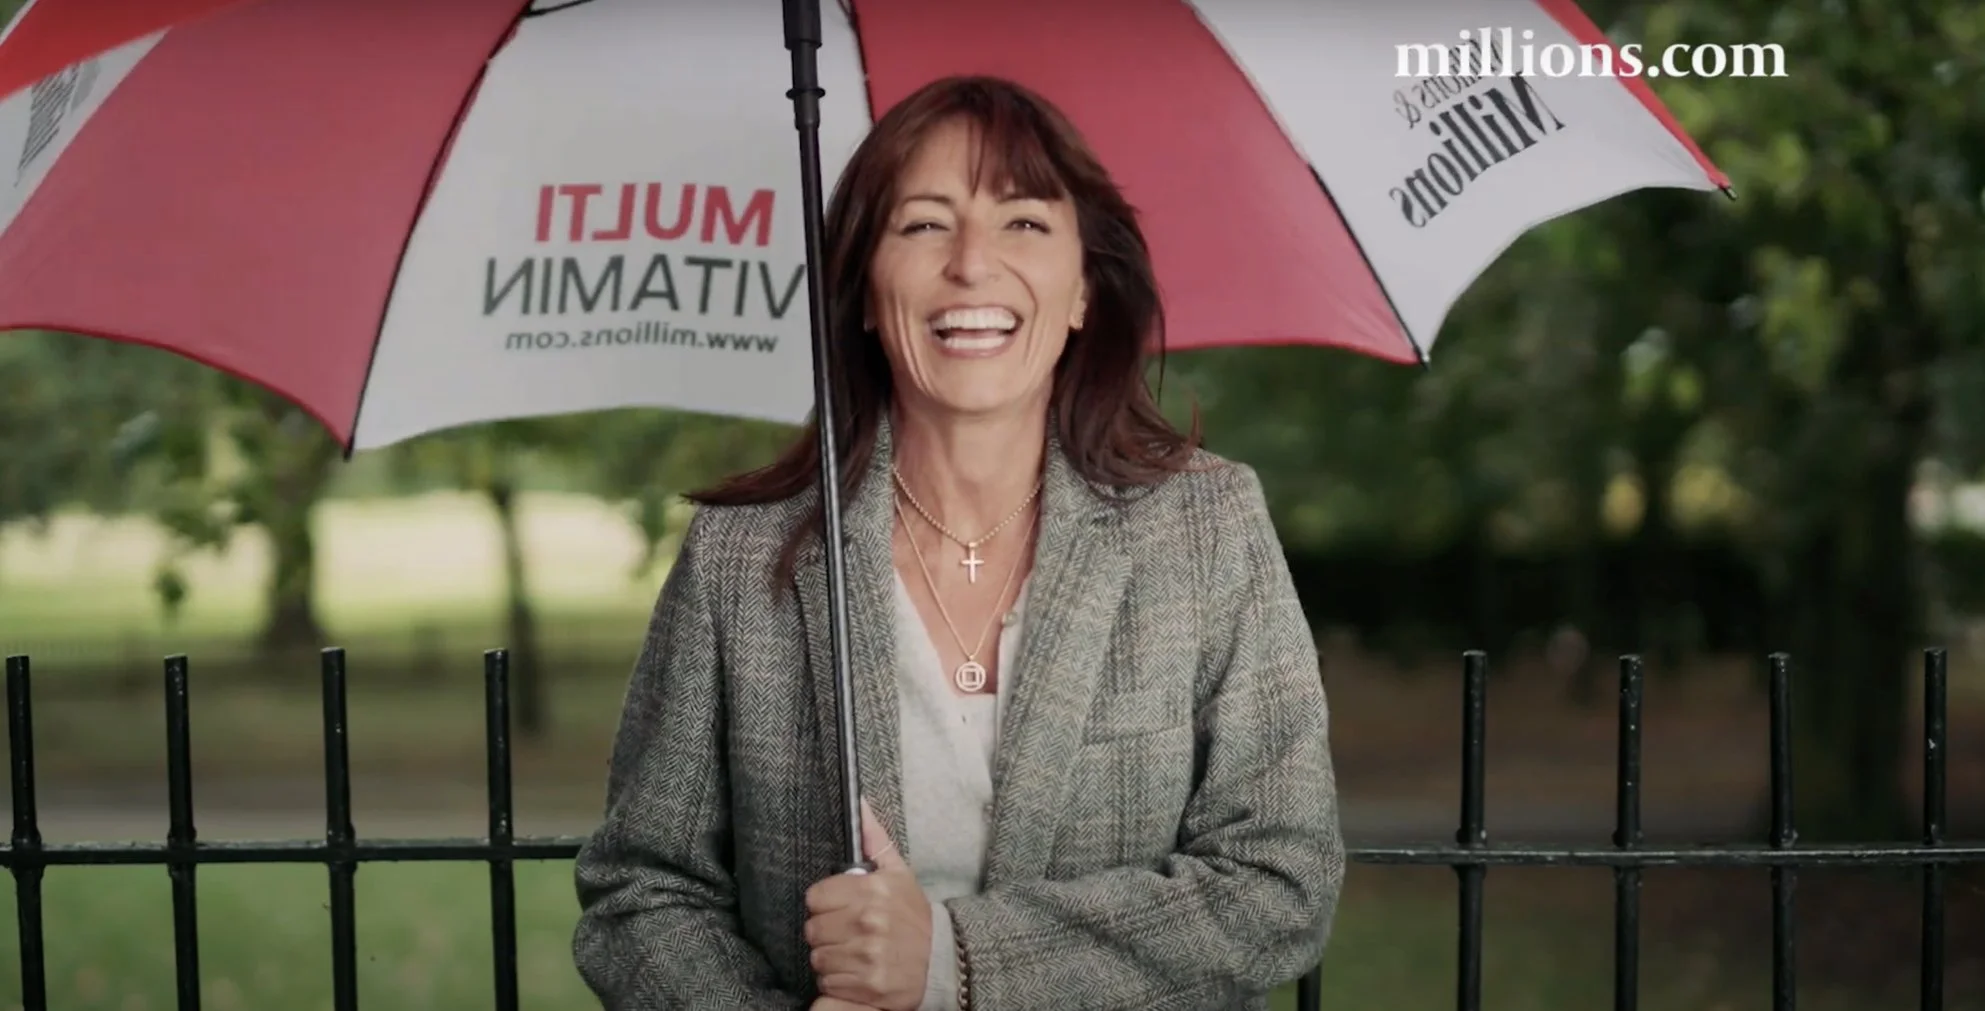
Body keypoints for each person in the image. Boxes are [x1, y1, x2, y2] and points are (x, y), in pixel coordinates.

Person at [572, 74, 1345, 1011]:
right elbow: (643, 890)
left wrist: (953, 960)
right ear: (863, 291)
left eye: (1022, 222)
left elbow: (1278, 882)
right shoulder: (738, 557)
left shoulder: (1205, 525)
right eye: (923, 224)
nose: (972, 265)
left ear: (1083, 289)